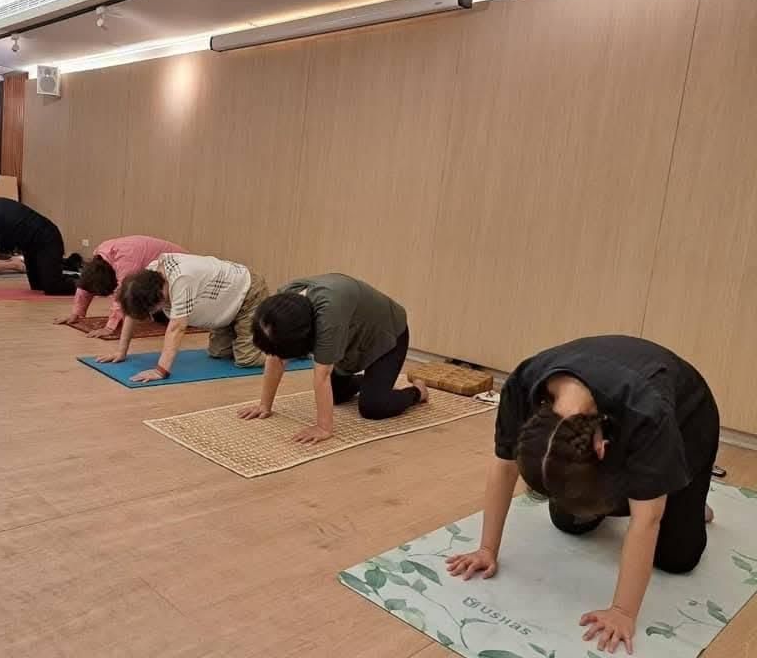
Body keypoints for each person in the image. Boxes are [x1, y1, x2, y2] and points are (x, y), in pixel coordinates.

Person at [446, 335, 720, 656]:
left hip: (687, 419)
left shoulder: (648, 412)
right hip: (619, 408)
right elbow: (504, 466)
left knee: (677, 558)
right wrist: (487, 548)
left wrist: (622, 611)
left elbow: (647, 520)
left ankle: (684, 497)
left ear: (601, 449)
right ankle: (641, 490)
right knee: (570, 522)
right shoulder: (522, 383)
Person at [238, 274, 429, 444]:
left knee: (373, 407)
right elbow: (276, 357)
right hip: (351, 339)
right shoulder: (280, 307)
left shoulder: (328, 317)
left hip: (388, 335)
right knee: (336, 396)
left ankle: (418, 392)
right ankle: (371, 383)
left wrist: (323, 427)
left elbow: (322, 375)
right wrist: (265, 405)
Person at [96, 253, 268, 381]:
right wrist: (121, 351)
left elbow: (176, 328)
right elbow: (132, 312)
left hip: (248, 292)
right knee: (218, 354)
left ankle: (280, 350)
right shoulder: (148, 278)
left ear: (158, 299)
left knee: (247, 359)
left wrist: (160, 370)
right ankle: (247, 334)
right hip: (226, 305)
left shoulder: (181, 280)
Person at [55, 236, 185, 339]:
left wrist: (110, 328)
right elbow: (86, 283)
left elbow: (122, 295)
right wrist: (76, 313)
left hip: (182, 268)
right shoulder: (100, 255)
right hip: (161, 270)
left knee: (166, 317)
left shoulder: (125, 262)